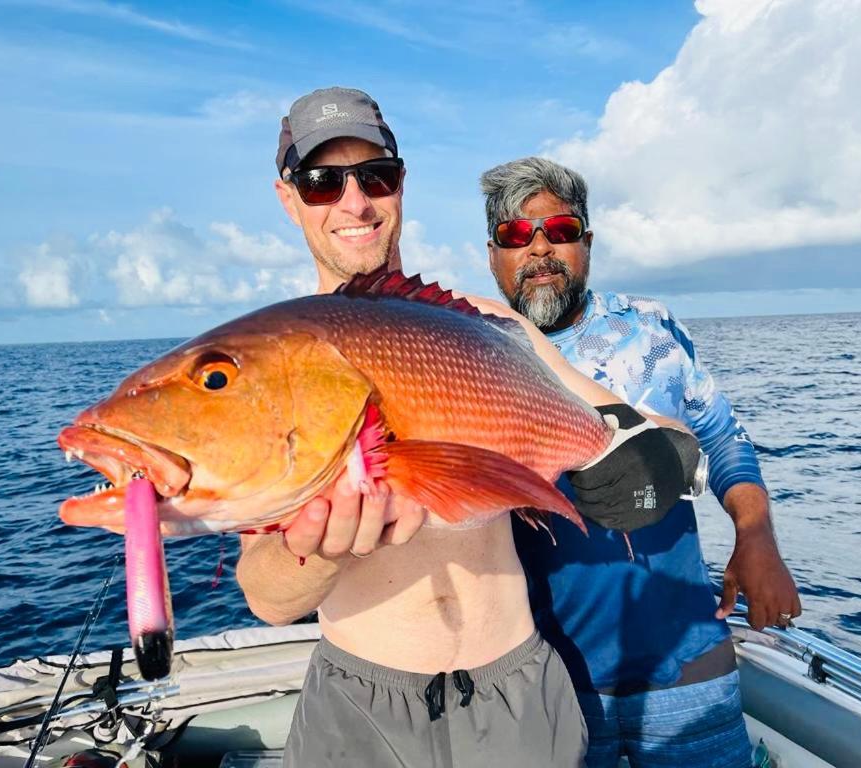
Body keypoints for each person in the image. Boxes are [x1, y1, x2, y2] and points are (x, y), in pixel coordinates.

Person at [235, 88, 698, 768]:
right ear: (288, 198)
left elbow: (647, 440)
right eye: (321, 183)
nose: (354, 202)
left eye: (375, 176)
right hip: (361, 707)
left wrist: (634, 465)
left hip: (516, 692)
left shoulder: (491, 328)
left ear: (401, 183)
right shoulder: (272, 359)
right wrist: (323, 552)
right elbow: (266, 598)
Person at [480, 156, 802, 768]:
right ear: (493, 253)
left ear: (588, 243)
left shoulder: (650, 329)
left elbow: (723, 437)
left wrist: (757, 540)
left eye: (562, 231)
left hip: (687, 663)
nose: (541, 249)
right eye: (517, 235)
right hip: (545, 681)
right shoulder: (472, 352)